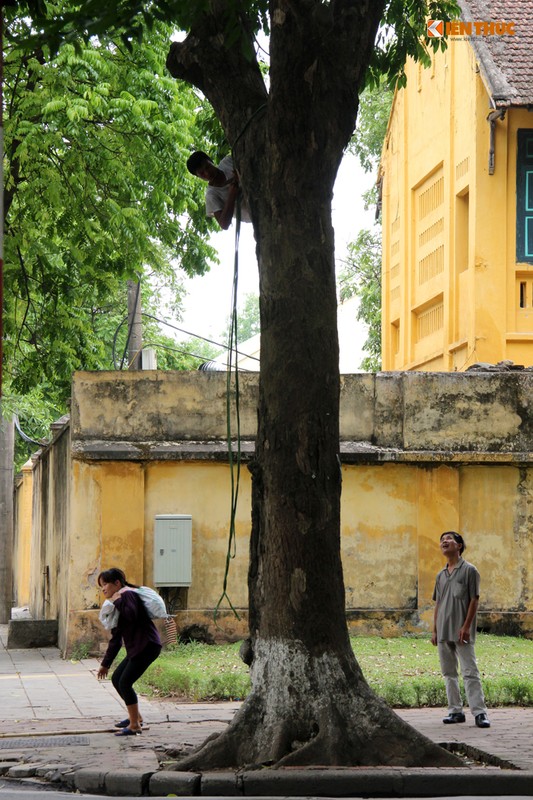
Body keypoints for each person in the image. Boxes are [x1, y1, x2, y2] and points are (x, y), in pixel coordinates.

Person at [431, 531, 491, 728]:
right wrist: (434, 630)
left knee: (469, 671)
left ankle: (479, 712)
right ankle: (455, 711)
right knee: (449, 673)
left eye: (449, 539)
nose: (444, 542)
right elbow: (438, 603)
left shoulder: (470, 571)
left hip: (461, 631)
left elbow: (474, 599)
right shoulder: (440, 575)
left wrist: (466, 627)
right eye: (442, 540)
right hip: (443, 630)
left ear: (459, 546)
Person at [97, 568, 162, 736]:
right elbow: (116, 638)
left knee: (125, 682)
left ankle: (134, 726)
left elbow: (131, 615)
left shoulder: (126, 595)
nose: (103, 589)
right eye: (101, 586)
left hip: (147, 645)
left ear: (117, 583)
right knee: (117, 678)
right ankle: (136, 718)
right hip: (139, 647)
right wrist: (105, 664)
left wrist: (117, 601)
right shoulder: (118, 601)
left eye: (105, 584)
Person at [186, 150, 251, 230]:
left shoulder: (227, 162)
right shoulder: (211, 195)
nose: (207, 173)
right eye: (202, 173)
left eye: (207, 167)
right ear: (198, 177)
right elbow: (224, 224)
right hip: (256, 215)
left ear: (211, 161)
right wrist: (231, 195)